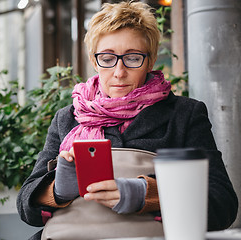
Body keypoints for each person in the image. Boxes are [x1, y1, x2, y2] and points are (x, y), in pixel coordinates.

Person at [17, 1, 238, 239]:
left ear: (150, 61)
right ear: (94, 61)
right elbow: (26, 206)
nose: (119, 72)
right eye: (108, 58)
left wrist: (146, 193)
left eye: (133, 58)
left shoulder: (183, 115)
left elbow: (222, 205)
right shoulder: (67, 118)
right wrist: (58, 190)